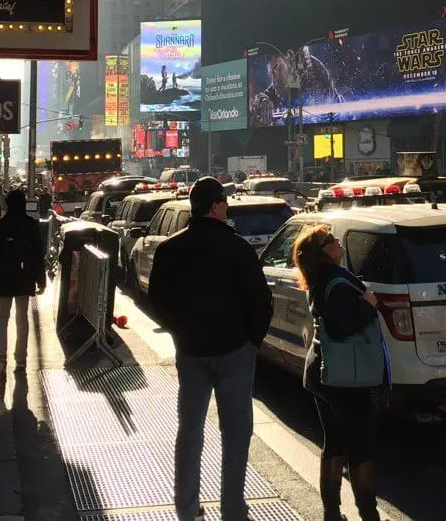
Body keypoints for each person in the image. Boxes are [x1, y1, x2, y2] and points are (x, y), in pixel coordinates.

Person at [148, 177, 273, 521]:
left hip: (190, 351)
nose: (228, 206)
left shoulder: (171, 249)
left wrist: (180, 332)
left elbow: (158, 300)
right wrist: (251, 341)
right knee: (235, 432)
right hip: (235, 350)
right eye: (225, 201)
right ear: (216, 206)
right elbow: (262, 301)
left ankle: (186, 510)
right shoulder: (238, 248)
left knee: (189, 431)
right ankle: (233, 509)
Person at [293, 225, 387, 521]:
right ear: (322, 253)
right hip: (348, 376)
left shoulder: (319, 279)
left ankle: (331, 512)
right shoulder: (337, 280)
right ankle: (369, 514)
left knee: (333, 441)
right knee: (360, 445)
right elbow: (345, 325)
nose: (336, 241)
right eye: (330, 240)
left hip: (323, 371)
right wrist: (369, 306)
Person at [0, 190, 46, 377]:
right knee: (22, 318)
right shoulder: (31, 225)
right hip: (24, 275)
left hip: (2, 276)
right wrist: (40, 279)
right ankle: (21, 360)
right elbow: (38, 254)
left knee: (1, 317)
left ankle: (1, 358)